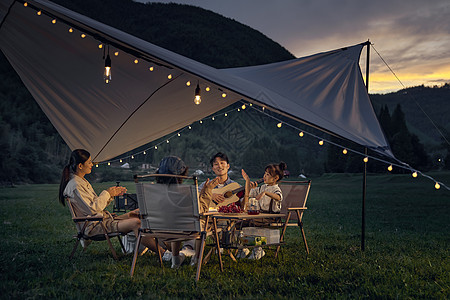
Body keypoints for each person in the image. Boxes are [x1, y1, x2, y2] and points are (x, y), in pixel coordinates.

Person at [58, 149, 163, 255]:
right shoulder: (75, 185)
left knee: (139, 212)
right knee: (137, 223)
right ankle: (163, 253)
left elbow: (94, 206)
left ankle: (160, 247)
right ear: (80, 166)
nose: (92, 165)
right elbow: (92, 209)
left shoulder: (81, 182)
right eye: (89, 162)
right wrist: (107, 193)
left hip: (103, 220)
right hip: (95, 226)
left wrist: (111, 194)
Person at [155, 156, 219, 268]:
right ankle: (196, 259)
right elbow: (201, 211)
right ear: (183, 173)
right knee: (200, 225)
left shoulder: (152, 191)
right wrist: (208, 190)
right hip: (185, 229)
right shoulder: (186, 192)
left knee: (175, 222)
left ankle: (175, 260)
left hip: (157, 229)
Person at [239, 161, 287, 260]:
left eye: (268, 174)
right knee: (241, 223)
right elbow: (248, 195)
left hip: (271, 217)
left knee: (253, 222)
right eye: (264, 173)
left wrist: (265, 193)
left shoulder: (275, 189)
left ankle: (258, 250)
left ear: (275, 178)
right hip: (260, 216)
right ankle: (244, 248)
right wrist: (248, 184)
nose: (264, 176)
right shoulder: (263, 187)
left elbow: (278, 197)